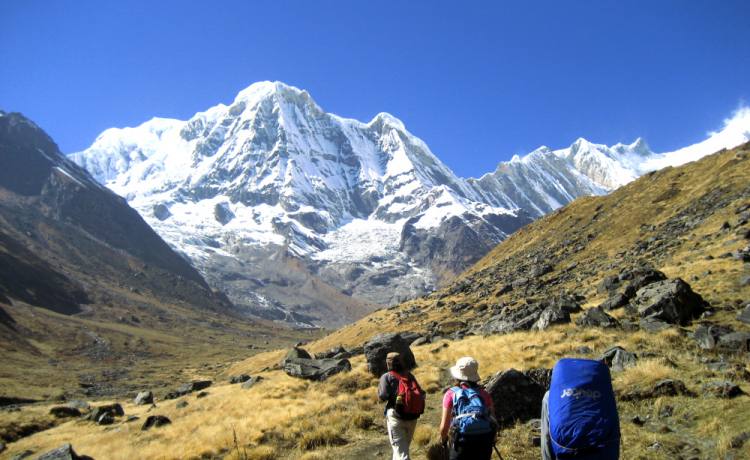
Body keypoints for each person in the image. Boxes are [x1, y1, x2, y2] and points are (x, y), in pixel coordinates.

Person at [541, 358, 620, 460]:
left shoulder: (551, 396)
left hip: (565, 442)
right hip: (602, 444)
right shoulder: (603, 390)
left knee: (548, 398)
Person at [439, 357, 497, 460]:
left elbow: (444, 427)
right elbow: (493, 422)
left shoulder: (451, 394)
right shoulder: (484, 394)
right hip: (484, 441)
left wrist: (444, 442)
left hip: (461, 441)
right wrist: (492, 439)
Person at [378, 352, 424, 460]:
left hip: (396, 416)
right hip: (413, 416)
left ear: (388, 363)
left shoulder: (386, 377)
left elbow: (383, 396)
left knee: (401, 453)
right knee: (401, 449)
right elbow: (421, 392)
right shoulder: (409, 375)